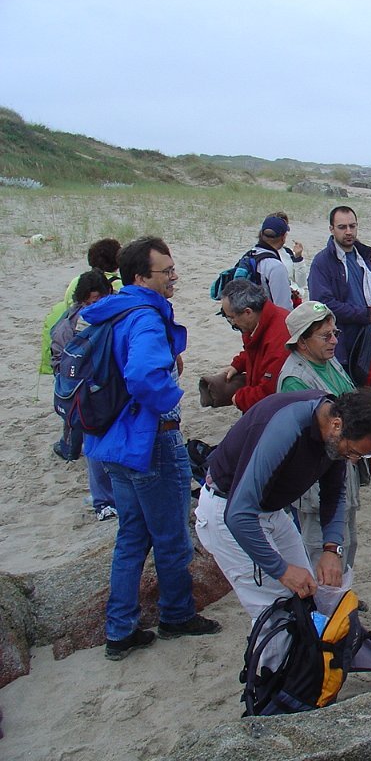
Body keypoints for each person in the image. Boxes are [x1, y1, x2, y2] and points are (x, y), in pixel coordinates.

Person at [82, 236, 221, 661]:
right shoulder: (144, 316)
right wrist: (170, 398)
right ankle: (176, 615)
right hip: (150, 438)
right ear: (141, 278)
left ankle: (120, 629)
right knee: (172, 535)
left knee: (131, 537)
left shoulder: (113, 310)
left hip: (114, 441)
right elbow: (142, 375)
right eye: (167, 271)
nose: (174, 277)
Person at [195, 389, 371, 628]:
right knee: (277, 613)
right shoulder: (286, 428)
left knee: (307, 595)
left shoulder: (336, 433)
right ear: (337, 424)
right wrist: (282, 570)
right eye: (353, 452)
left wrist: (332, 548)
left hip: (270, 510)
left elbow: (334, 492)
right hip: (227, 509)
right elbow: (237, 514)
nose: (352, 460)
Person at [308, 205, 371, 482]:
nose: (348, 232)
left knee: (368, 402)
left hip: (368, 344)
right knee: (344, 407)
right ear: (331, 229)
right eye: (342, 227)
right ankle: (348, 465)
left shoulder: (362, 258)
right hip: (341, 347)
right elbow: (323, 304)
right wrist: (363, 314)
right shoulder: (322, 263)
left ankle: (368, 461)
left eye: (352, 226)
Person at [276, 301, 362, 577]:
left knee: (348, 541)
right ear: (302, 342)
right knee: (321, 551)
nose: (334, 340)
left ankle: (342, 592)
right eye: (326, 336)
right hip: (316, 481)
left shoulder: (329, 360)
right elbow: (310, 437)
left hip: (344, 465)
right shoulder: (295, 380)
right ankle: (326, 597)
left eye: (335, 333)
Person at [50, 270, 119, 520]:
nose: (93, 307)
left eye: (97, 301)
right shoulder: (70, 325)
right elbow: (59, 361)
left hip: (102, 390)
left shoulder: (116, 313)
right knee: (94, 445)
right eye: (89, 302)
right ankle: (103, 502)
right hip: (86, 393)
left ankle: (110, 496)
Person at [40, 237, 122, 377]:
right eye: (88, 303)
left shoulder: (76, 281)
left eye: (95, 303)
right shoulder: (120, 287)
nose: (91, 308)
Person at [216, 279, 291, 412]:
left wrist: (238, 398)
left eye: (231, 317)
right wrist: (238, 365)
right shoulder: (262, 322)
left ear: (248, 312)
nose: (232, 323)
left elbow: (269, 394)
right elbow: (255, 350)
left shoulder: (279, 340)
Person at [250, 214, 295, 311]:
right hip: (265, 317)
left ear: (261, 234)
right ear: (283, 237)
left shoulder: (251, 254)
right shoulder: (276, 266)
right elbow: (283, 307)